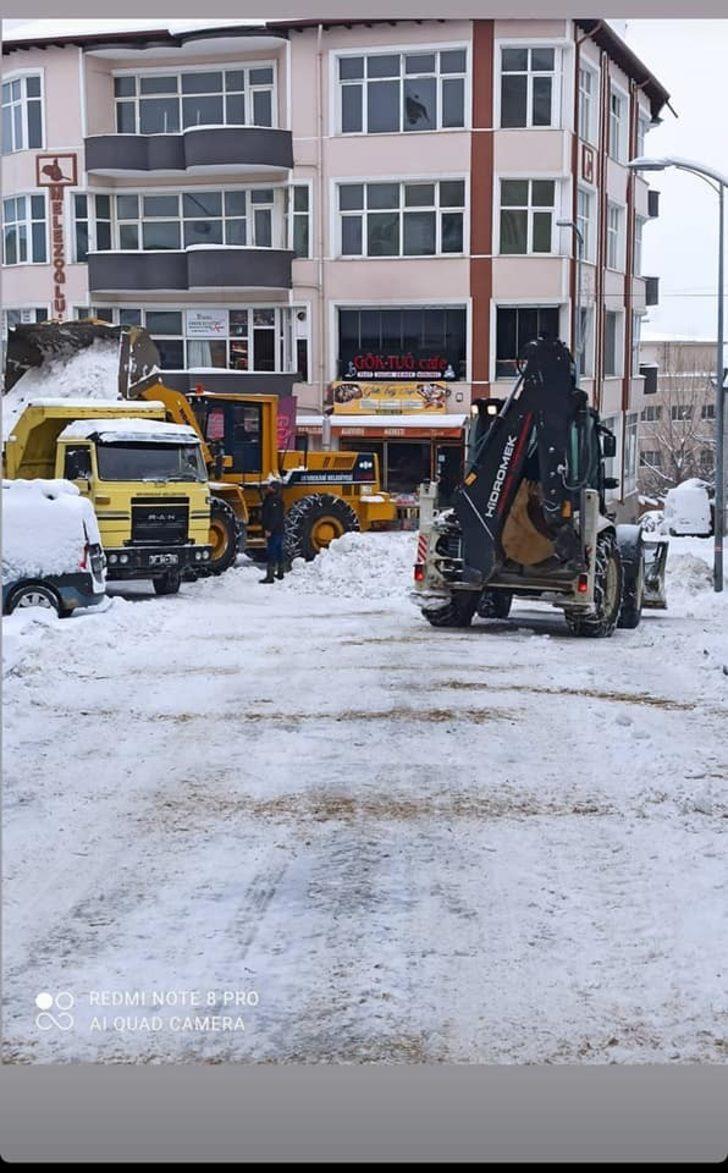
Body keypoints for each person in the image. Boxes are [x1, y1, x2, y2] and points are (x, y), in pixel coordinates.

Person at [260, 478, 286, 584]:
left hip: (274, 531)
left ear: (275, 489)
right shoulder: (277, 500)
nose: (268, 487)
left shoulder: (273, 501)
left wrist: (269, 529)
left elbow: (274, 517)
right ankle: (280, 572)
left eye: (271, 486)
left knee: (272, 552)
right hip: (279, 530)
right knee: (279, 551)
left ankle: (270, 576)